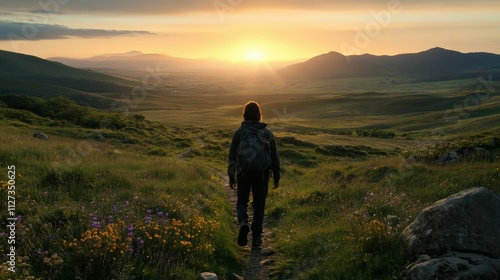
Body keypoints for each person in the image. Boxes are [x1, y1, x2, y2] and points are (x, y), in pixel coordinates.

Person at [228, 101, 281, 248]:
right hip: (262, 175)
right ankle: (256, 239)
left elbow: (232, 156)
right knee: (259, 205)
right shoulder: (267, 133)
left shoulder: (239, 132)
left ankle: (243, 221)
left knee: (241, 202)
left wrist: (231, 177)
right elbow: (275, 157)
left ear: (244, 114)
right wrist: (276, 177)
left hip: (243, 173)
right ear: (259, 115)